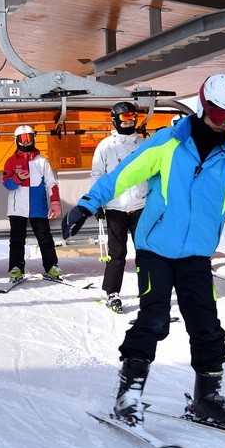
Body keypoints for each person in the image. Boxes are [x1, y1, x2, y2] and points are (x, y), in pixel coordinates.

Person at [63, 74, 225, 428]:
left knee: (207, 326)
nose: (221, 121)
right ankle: (129, 392)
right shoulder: (168, 142)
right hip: (156, 249)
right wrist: (87, 204)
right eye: (216, 112)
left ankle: (206, 398)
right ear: (202, 105)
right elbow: (123, 174)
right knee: (153, 320)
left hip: (196, 254)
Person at [90, 101, 147, 313]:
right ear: (115, 119)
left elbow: (153, 174)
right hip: (115, 207)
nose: (130, 121)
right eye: (125, 117)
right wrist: (96, 200)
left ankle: (149, 289)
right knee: (118, 252)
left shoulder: (143, 144)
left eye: (133, 117)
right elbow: (97, 174)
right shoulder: (106, 146)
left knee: (145, 251)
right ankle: (112, 292)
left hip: (140, 205)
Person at [3, 125, 62, 281]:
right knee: (17, 239)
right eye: (23, 139)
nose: (27, 142)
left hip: (38, 206)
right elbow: (7, 184)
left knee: (44, 237)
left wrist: (55, 203)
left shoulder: (42, 161)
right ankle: (16, 268)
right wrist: (18, 179)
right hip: (17, 207)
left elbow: (51, 183)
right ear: (17, 141)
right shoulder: (10, 161)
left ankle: (51, 266)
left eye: (30, 137)